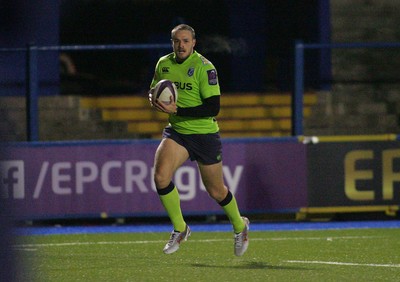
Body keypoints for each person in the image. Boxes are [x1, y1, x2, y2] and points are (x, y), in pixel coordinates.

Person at [148, 24, 249, 256]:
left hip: (204, 134)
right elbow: (153, 91)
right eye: (176, 41)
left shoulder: (205, 68)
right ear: (172, 42)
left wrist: (176, 110)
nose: (180, 45)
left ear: (194, 43)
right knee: (161, 177)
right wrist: (154, 100)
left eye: (185, 41)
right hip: (178, 132)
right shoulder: (163, 64)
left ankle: (239, 226)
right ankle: (180, 228)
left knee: (216, 191)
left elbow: (214, 107)